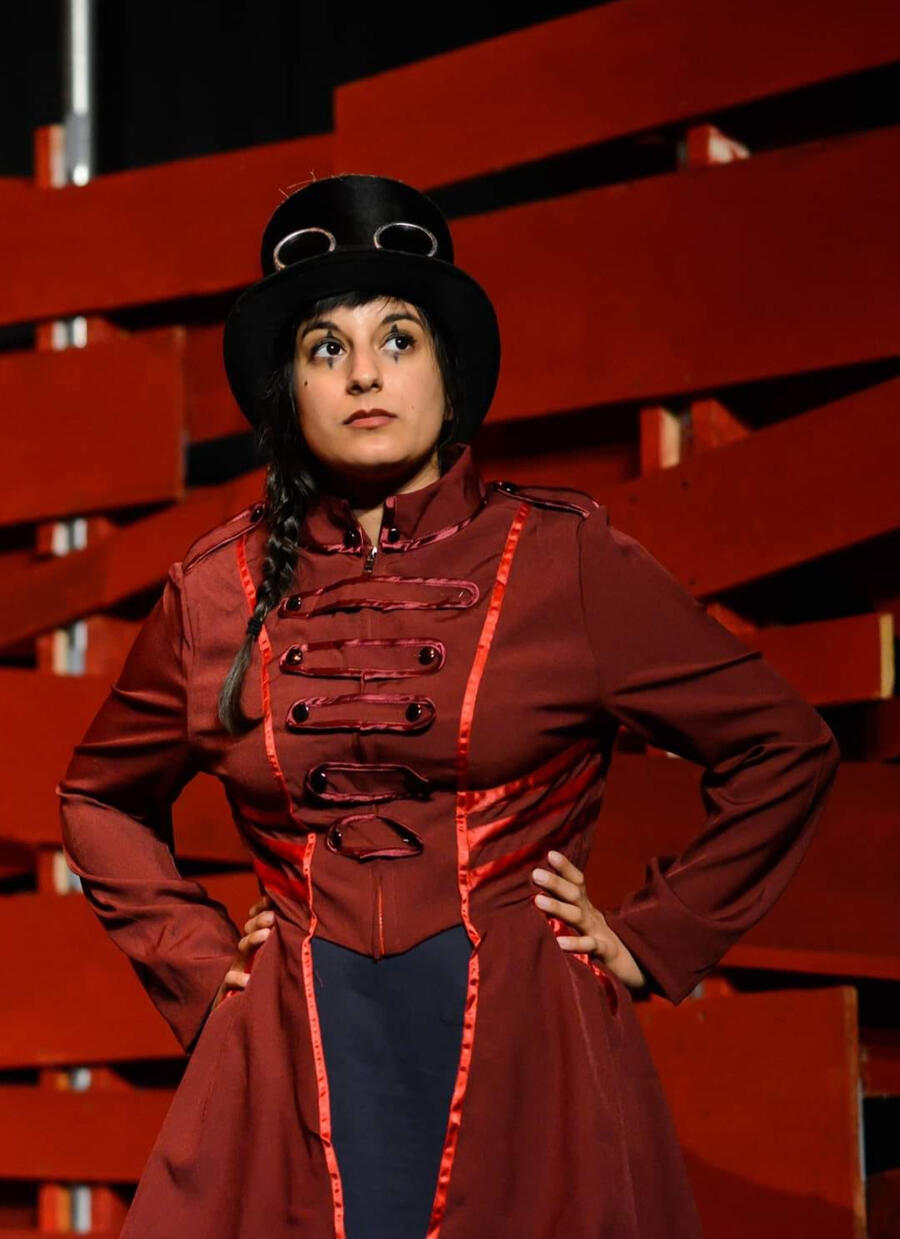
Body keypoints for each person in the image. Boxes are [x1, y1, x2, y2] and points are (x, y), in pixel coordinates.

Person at [57, 173, 841, 1239]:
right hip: (287, 1059)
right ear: (290, 386)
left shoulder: (562, 560)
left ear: (448, 371)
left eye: (400, 338)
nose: (364, 372)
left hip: (527, 1056)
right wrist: (199, 963)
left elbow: (781, 745)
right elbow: (98, 797)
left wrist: (655, 939)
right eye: (326, 347)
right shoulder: (215, 590)